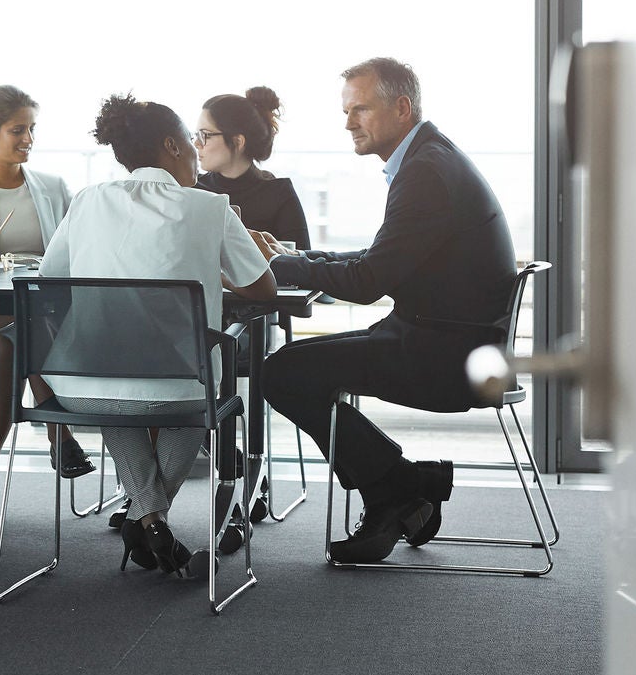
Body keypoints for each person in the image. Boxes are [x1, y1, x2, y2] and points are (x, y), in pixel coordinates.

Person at [253, 57, 515, 564]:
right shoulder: (428, 161)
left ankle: (399, 487)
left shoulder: (425, 174)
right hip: (438, 338)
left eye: (360, 109)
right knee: (286, 370)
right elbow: (382, 260)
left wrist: (287, 267)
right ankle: (401, 485)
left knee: (282, 373)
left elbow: (369, 282)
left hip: (445, 355)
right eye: (346, 111)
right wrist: (302, 260)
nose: (349, 122)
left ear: (401, 107)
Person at [38, 94, 274, 577]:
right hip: (183, 388)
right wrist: (215, 267)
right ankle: (148, 520)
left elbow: (48, 279)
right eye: (190, 142)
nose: (194, 153)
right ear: (171, 145)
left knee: (114, 386)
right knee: (191, 391)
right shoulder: (210, 207)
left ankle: (146, 521)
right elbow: (263, 288)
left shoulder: (86, 202)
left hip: (86, 385)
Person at [0, 85, 92, 522]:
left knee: (17, 336)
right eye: (17, 130)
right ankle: (58, 435)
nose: (28, 138)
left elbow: (73, 253)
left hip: (36, 320)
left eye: (31, 129)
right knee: (16, 331)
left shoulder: (54, 188)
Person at [194, 88, 311, 249]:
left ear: (238, 141)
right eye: (196, 134)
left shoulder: (279, 194)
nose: (197, 143)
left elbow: (302, 264)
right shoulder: (193, 190)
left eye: (205, 135)